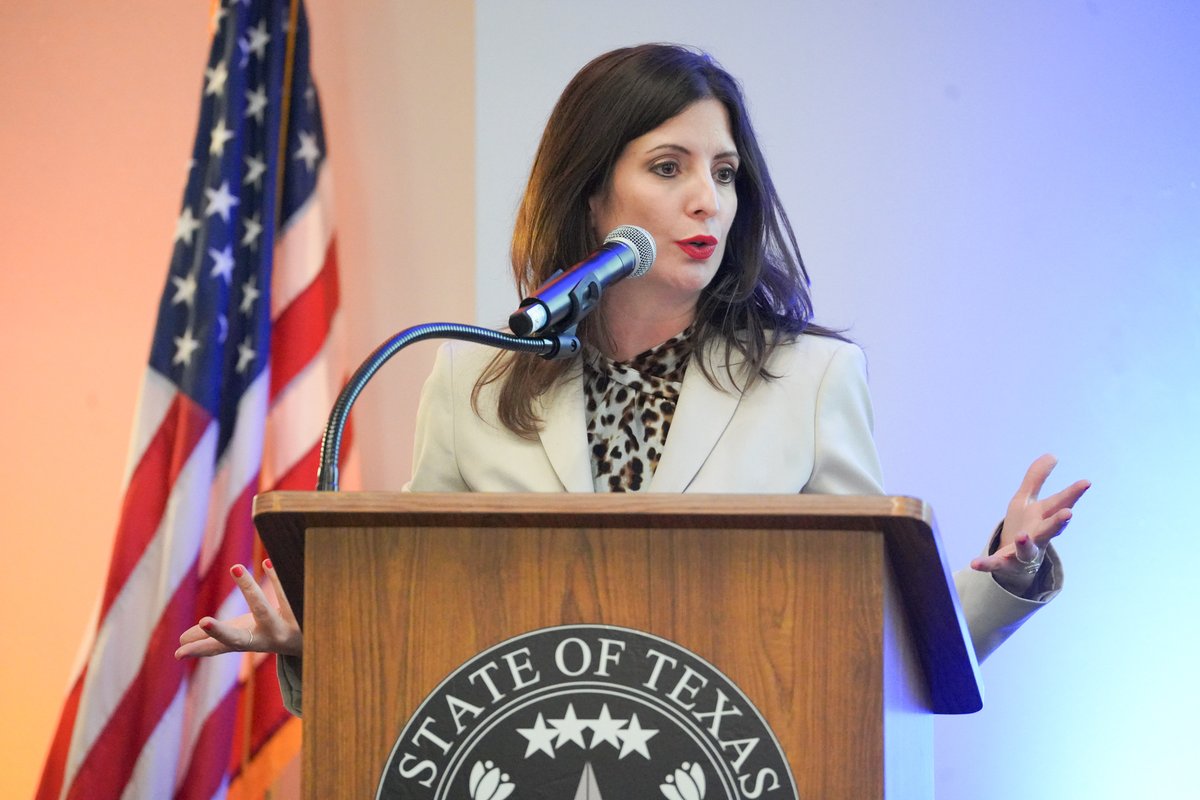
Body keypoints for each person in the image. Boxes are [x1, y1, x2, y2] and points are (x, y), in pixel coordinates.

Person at [177, 44, 1090, 717]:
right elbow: (428, 632)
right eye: (669, 167)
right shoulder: (468, 380)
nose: (710, 201)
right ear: (589, 193)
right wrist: (317, 646)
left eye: (726, 174)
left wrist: (1008, 575)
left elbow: (876, 646)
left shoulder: (812, 380)